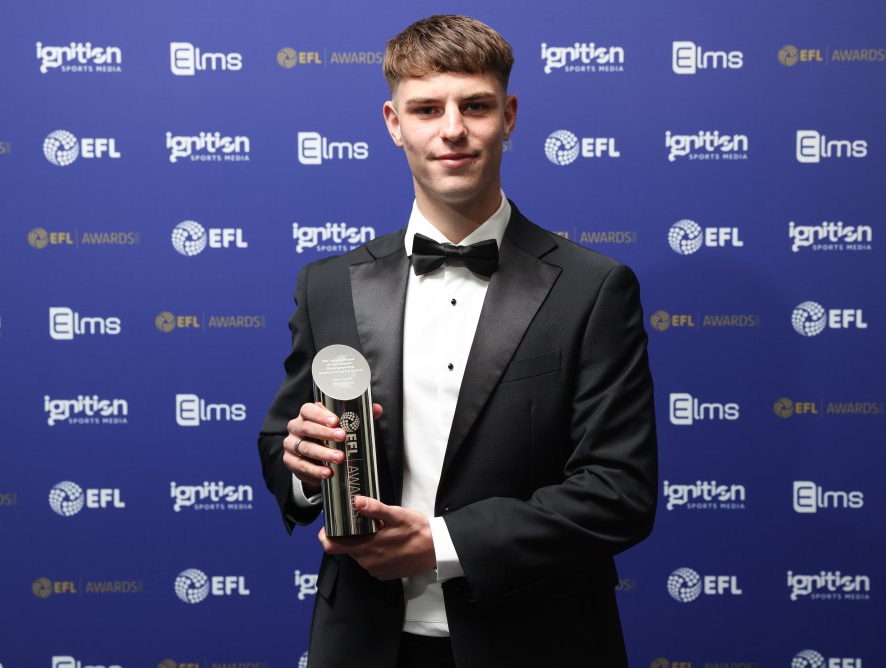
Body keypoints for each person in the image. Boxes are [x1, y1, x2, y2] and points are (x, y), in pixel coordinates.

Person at [258, 14, 657, 668]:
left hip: (538, 644)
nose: (452, 130)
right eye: (426, 109)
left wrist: (443, 544)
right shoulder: (326, 284)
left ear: (509, 115)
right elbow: (281, 445)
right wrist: (305, 475)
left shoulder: (594, 288)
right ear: (393, 122)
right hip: (362, 643)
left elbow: (619, 493)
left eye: (475, 106)